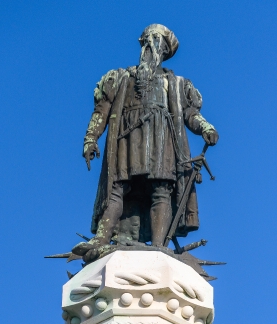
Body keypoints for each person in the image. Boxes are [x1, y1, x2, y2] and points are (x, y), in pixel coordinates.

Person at [73, 24, 219, 256]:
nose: (150, 45)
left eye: (156, 40)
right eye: (147, 41)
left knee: (161, 190)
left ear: (164, 50)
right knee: (117, 188)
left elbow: (189, 114)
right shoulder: (120, 77)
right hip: (125, 138)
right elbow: (101, 112)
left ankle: (159, 247)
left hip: (163, 140)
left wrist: (205, 127)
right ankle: (101, 238)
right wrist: (90, 139)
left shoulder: (177, 84)